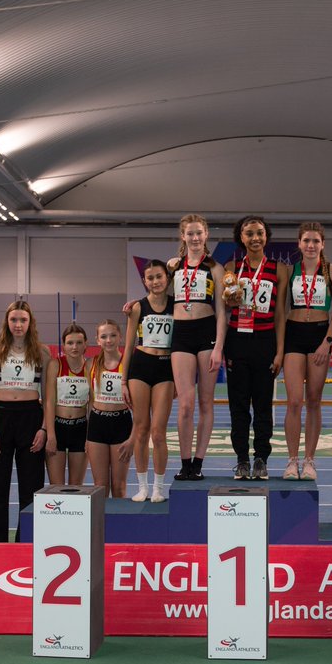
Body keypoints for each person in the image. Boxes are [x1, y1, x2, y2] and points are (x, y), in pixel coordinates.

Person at [224, 215, 288, 480]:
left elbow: (280, 314)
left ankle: (261, 458)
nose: (255, 238)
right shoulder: (231, 268)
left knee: (263, 406)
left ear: (266, 236)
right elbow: (225, 309)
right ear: (241, 237)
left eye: (259, 233)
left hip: (265, 342)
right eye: (249, 233)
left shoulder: (279, 269)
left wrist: (280, 350)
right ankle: (241, 459)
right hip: (237, 341)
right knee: (238, 407)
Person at [0, 301, 49, 541]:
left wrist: (43, 428)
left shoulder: (42, 352)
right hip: (0, 418)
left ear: (30, 322)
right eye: (14, 320)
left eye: (23, 320)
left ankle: (26, 542)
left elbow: (48, 396)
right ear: (6, 321)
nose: (18, 325)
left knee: (31, 488)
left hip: (31, 418)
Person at [281, 223, 332, 481]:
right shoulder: (290, 271)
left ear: (322, 244)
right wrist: (280, 345)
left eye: (316, 241)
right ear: (299, 243)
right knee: (294, 401)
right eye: (306, 240)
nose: (311, 245)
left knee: (314, 401)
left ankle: (309, 460)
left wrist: (327, 341)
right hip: (294, 334)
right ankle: (292, 460)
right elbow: (281, 311)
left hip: (320, 335)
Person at [167, 214, 226, 481]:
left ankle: (199, 461)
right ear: (183, 236)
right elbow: (156, 295)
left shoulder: (215, 268)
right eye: (190, 233)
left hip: (206, 334)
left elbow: (222, 312)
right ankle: (185, 461)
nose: (195, 238)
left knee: (205, 401)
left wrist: (219, 348)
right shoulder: (174, 267)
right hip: (180, 335)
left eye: (199, 233)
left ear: (206, 235)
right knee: (185, 404)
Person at [122, 260, 175, 502]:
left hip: (166, 369)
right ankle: (142, 486)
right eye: (150, 278)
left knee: (159, 432)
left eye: (159, 276)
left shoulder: (177, 306)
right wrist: (123, 381)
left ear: (167, 278)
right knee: (141, 430)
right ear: (144, 281)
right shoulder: (137, 308)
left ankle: (159, 488)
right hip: (140, 367)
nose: (155, 282)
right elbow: (129, 344)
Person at [86, 319, 133, 497]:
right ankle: (101, 525)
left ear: (120, 337)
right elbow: (90, 400)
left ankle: (119, 525)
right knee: (100, 485)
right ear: (97, 340)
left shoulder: (128, 364)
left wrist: (133, 438)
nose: (108, 340)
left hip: (121, 423)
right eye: (104, 336)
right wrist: (87, 434)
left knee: (119, 485)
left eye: (113, 335)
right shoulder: (91, 364)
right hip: (97, 425)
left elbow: (139, 407)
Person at [45, 324, 90, 487]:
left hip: (80, 428)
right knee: (56, 486)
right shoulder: (55, 365)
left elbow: (92, 404)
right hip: (58, 427)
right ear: (63, 345)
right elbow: (49, 401)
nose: (74, 347)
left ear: (86, 344)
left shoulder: (89, 366)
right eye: (70, 343)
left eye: (79, 342)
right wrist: (50, 435)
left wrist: (89, 436)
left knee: (75, 487)